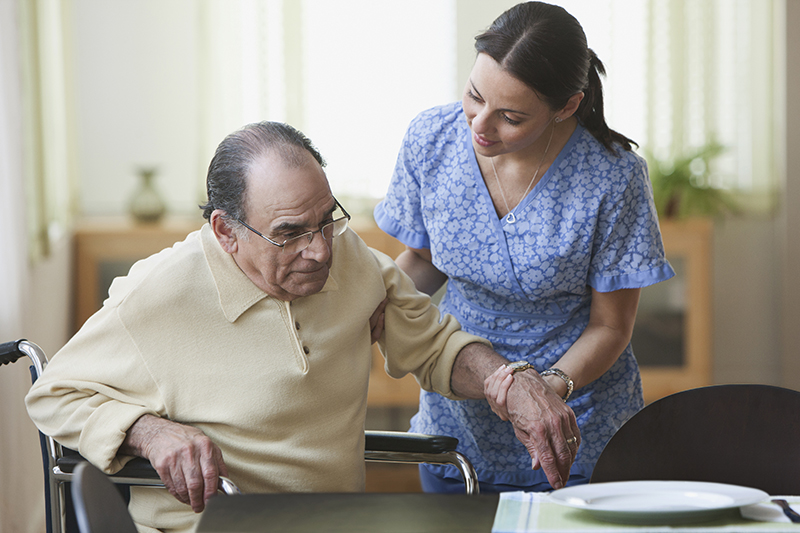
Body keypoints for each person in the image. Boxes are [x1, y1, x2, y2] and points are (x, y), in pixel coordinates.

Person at [26, 121, 579, 533]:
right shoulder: (160, 295)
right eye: (290, 233)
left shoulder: (347, 254)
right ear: (226, 231)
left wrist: (509, 381)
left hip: (335, 523)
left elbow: (435, 345)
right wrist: (150, 430)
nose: (318, 250)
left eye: (325, 220)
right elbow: (53, 395)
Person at [373, 1, 675, 494]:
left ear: (567, 106)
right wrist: (369, 303)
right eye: (474, 96)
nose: (480, 125)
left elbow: (611, 325)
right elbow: (423, 263)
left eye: (510, 116)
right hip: (460, 411)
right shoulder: (430, 139)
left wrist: (544, 390)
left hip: (574, 420)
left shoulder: (613, 174)